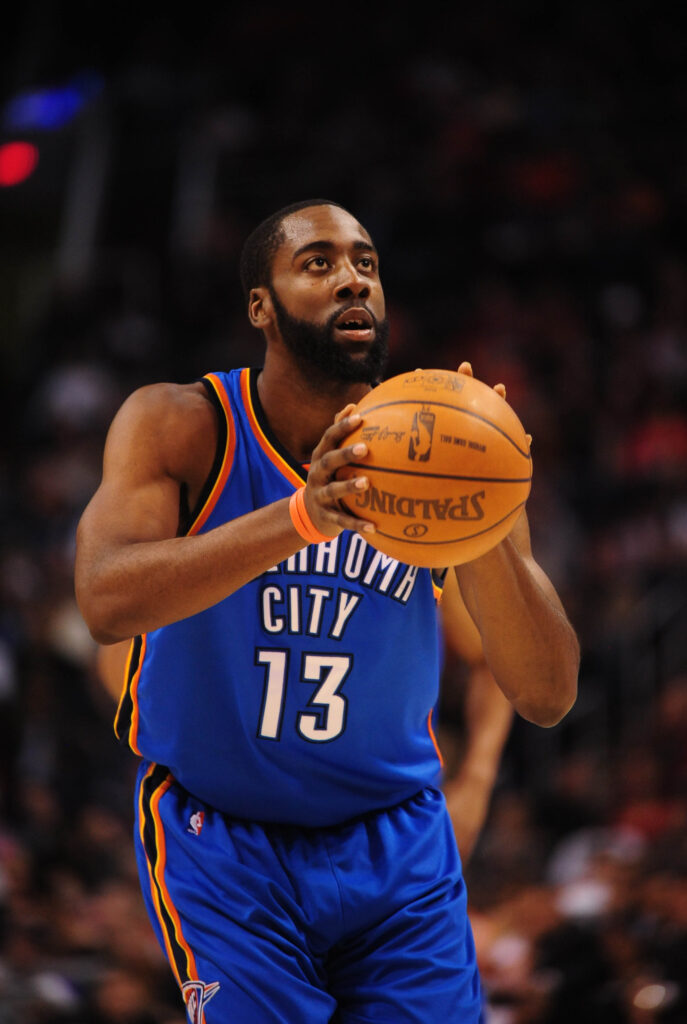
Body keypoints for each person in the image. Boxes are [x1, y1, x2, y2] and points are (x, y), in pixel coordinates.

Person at [75, 198, 579, 1023]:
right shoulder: (181, 425)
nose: (352, 278)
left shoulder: (448, 447)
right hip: (223, 842)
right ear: (259, 307)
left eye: (366, 263)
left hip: (396, 844)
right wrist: (301, 517)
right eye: (318, 262)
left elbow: (547, 693)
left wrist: (477, 515)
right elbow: (104, 598)